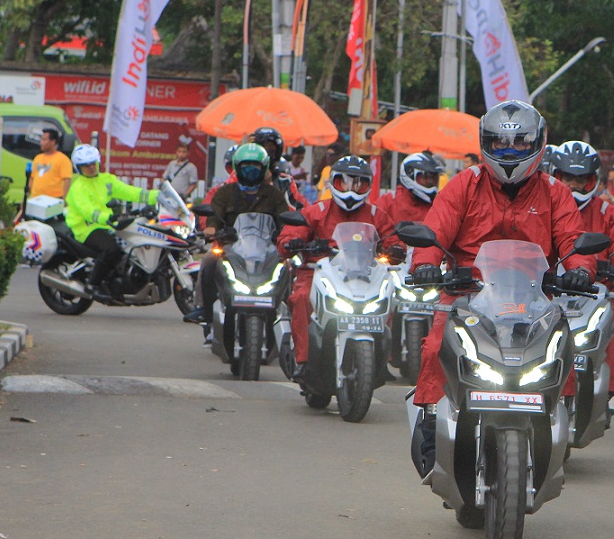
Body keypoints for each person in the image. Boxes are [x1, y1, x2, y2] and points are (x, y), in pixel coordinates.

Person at [406, 100, 595, 478]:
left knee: (562, 349)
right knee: (435, 346)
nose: (510, 152)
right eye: (500, 143)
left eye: (520, 143)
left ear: (538, 144)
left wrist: (580, 271)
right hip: (468, 295)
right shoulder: (464, 184)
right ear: (485, 143)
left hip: (534, 300)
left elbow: (573, 241)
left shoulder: (555, 192)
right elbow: (435, 229)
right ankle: (431, 421)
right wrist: (425, 264)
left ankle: (559, 421)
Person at [277, 156, 404, 381]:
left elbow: (393, 239)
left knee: (388, 298)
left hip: (364, 274)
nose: (351, 188)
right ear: (333, 182)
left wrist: (396, 249)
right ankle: (303, 360)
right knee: (302, 297)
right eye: (344, 182)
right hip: (318, 272)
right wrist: (291, 242)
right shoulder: (318, 210)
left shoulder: (376, 214)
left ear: (367, 185)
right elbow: (290, 235)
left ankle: (381, 360)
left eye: (358, 183)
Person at [549, 141, 614, 401]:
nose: (574, 185)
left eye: (582, 179)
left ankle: (604, 395)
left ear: (593, 179)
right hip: (547, 291)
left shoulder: (609, 212)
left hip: (596, 293)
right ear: (555, 176)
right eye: (568, 178)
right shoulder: (542, 208)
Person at [184, 143, 290, 330]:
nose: (250, 170)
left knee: (288, 268)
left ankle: (287, 316)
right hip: (230, 250)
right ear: (237, 167)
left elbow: (285, 220)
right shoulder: (224, 193)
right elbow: (214, 215)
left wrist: (288, 235)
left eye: (255, 165)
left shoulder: (274, 195)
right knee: (208, 263)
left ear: (264, 168)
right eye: (246, 165)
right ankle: (205, 312)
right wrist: (211, 228)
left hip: (267, 251)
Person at [64, 144, 159, 303]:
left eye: (93, 163)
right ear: (78, 168)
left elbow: (130, 192)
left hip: (107, 225)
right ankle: (93, 285)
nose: (91, 167)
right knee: (111, 249)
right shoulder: (77, 188)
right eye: (86, 165)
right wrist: (109, 217)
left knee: (131, 246)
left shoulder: (106, 180)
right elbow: (88, 211)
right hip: (87, 228)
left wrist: (157, 196)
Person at [377, 151, 444, 226]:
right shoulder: (388, 202)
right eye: (425, 177)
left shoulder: (437, 207)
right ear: (410, 175)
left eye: (434, 179)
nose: (430, 182)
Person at [250, 127, 307, 209]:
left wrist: (269, 186)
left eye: (271, 148)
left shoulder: (285, 181)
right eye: (262, 148)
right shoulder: (241, 176)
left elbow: (290, 209)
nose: (266, 152)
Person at [29, 128, 72, 199]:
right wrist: (26, 197)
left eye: (44, 140)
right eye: (41, 139)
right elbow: (32, 178)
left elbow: (67, 180)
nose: (41, 142)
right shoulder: (37, 158)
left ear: (53, 142)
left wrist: (64, 199)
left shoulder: (63, 159)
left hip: (54, 199)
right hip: (36, 198)